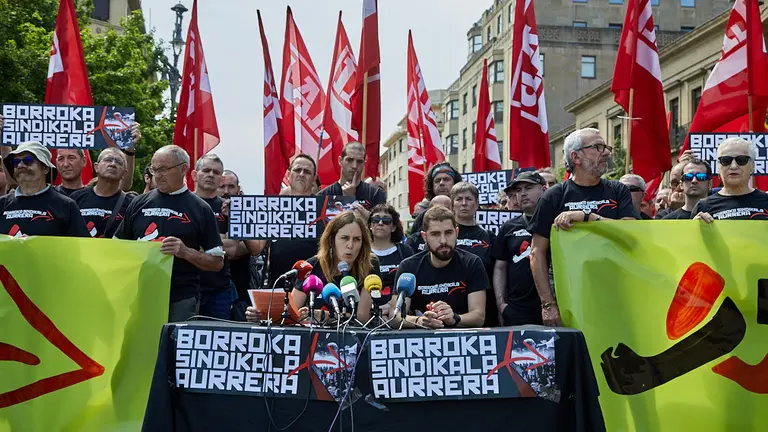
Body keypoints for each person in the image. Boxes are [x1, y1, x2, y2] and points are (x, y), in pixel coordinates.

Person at [529, 128, 638, 326]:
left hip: (616, 292)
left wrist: (588, 217)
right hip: (569, 293)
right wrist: (548, 304)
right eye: (597, 147)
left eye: (605, 147)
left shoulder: (618, 190)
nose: (606, 152)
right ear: (576, 157)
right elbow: (537, 253)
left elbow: (632, 232)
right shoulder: (553, 196)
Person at [113, 145, 224, 322]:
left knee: (171, 348)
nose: (158, 175)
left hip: (180, 297)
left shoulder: (201, 208)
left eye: (164, 169)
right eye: (154, 169)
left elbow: (217, 262)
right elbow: (116, 246)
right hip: (139, 293)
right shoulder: (138, 203)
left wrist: (186, 252)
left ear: (183, 169)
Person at [247, 211, 377, 323]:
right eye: (344, 238)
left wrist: (328, 316)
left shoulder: (370, 265)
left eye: (356, 239)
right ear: (332, 240)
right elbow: (291, 313)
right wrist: (261, 315)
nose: (350, 245)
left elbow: (362, 319)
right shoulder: (310, 267)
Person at [394, 206, 487, 329]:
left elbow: (479, 316)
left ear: (457, 233)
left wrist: (455, 318)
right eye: (435, 234)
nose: (443, 240)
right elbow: (395, 317)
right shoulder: (409, 267)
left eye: (448, 233)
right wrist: (420, 321)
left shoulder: (472, 263)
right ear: (424, 237)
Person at [246, 155, 322, 290]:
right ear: (289, 175)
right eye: (297, 170)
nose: (301, 174)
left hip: (314, 286)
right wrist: (241, 221)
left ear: (314, 178)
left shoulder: (323, 209)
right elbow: (256, 248)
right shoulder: (273, 207)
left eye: (307, 171)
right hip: (279, 284)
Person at [0, 141, 89, 237]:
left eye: (28, 160)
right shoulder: (2, 204)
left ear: (45, 168)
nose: (20, 165)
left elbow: (81, 246)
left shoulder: (66, 205)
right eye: (16, 162)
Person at [494, 171, 547, 326]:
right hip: (517, 310)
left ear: (543, 189)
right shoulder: (508, 227)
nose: (523, 194)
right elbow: (500, 268)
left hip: (555, 306)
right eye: (518, 190)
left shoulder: (556, 222)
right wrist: (501, 305)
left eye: (528, 187)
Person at [192, 154, 242, 319]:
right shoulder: (184, 203)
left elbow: (233, 249)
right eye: (206, 170)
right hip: (186, 288)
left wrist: (198, 242)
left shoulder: (229, 209)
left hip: (218, 289)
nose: (211, 175)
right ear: (194, 174)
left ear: (220, 178)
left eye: (216, 172)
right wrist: (218, 241)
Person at [693, 137, 768, 221]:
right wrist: (695, 227)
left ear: (752, 166)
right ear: (718, 167)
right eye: (726, 160)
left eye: (741, 160)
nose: (733, 166)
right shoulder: (703, 207)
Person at [55, 123, 141, 196]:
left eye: (71, 158)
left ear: (84, 161)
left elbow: (123, 185)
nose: (66, 164)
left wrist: (130, 148)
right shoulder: (48, 195)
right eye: (61, 159)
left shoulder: (96, 193)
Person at [71, 148, 133, 238]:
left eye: (118, 162)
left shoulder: (131, 204)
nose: (112, 164)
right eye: (108, 160)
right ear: (96, 167)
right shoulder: (76, 198)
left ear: (124, 173)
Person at [317, 142, 386, 221]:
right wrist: (347, 200)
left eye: (359, 162)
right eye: (349, 160)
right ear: (340, 161)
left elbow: (380, 225)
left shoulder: (376, 193)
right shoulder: (322, 196)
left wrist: (351, 200)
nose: (354, 166)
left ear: (364, 164)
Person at [369, 204, 415, 317]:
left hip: (398, 312)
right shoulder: (361, 252)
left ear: (393, 227)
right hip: (367, 313)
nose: (380, 223)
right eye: (376, 220)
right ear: (370, 225)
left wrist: (392, 306)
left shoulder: (405, 251)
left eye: (386, 220)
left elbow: (414, 284)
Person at [408, 162, 462, 235]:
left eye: (446, 179)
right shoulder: (422, 217)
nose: (441, 183)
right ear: (432, 186)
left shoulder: (465, 212)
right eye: (437, 180)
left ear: (455, 183)